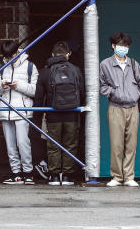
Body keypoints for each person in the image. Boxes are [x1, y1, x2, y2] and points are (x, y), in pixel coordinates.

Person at [98, 31, 140, 187]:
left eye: (125, 46)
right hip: (116, 108)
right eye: (120, 45)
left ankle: (129, 176)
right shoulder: (105, 64)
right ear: (113, 46)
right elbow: (101, 86)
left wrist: (137, 94)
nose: (123, 48)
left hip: (133, 108)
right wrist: (113, 93)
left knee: (131, 144)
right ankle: (117, 177)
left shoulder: (134, 63)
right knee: (116, 144)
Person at [34, 41, 84, 186]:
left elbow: (39, 96)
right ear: (69, 54)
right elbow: (82, 92)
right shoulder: (76, 70)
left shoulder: (45, 71)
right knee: (70, 144)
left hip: (52, 115)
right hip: (72, 115)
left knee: (53, 145)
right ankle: (67, 176)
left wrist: (37, 115)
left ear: (52, 54)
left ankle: (54, 176)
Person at [0, 41, 39, 184]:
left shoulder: (30, 66)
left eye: (11, 56)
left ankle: (28, 173)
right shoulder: (1, 66)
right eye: (6, 57)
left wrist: (18, 85)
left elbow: (35, 90)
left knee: (23, 143)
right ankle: (16, 173)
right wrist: (2, 85)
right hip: (5, 109)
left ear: (17, 53)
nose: (9, 59)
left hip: (22, 110)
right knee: (10, 144)